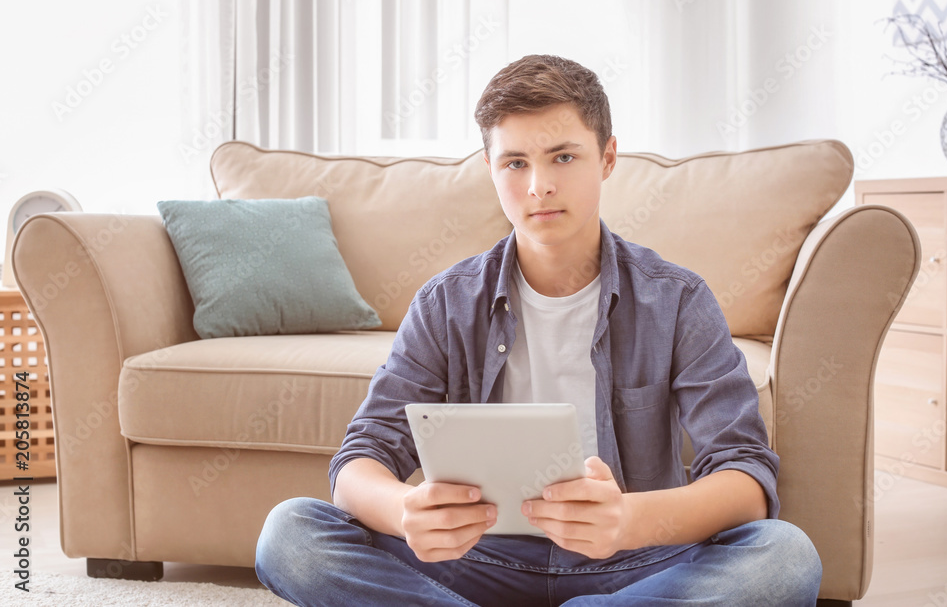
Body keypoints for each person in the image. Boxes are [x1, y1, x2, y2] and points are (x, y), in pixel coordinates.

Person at [255, 54, 823, 606]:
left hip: (632, 560)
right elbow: (360, 458)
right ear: (490, 170)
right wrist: (405, 510)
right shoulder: (445, 303)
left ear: (607, 157)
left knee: (784, 558)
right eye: (516, 163)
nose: (539, 186)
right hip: (476, 559)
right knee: (291, 535)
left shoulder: (677, 300)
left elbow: (746, 476)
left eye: (563, 157)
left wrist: (626, 522)